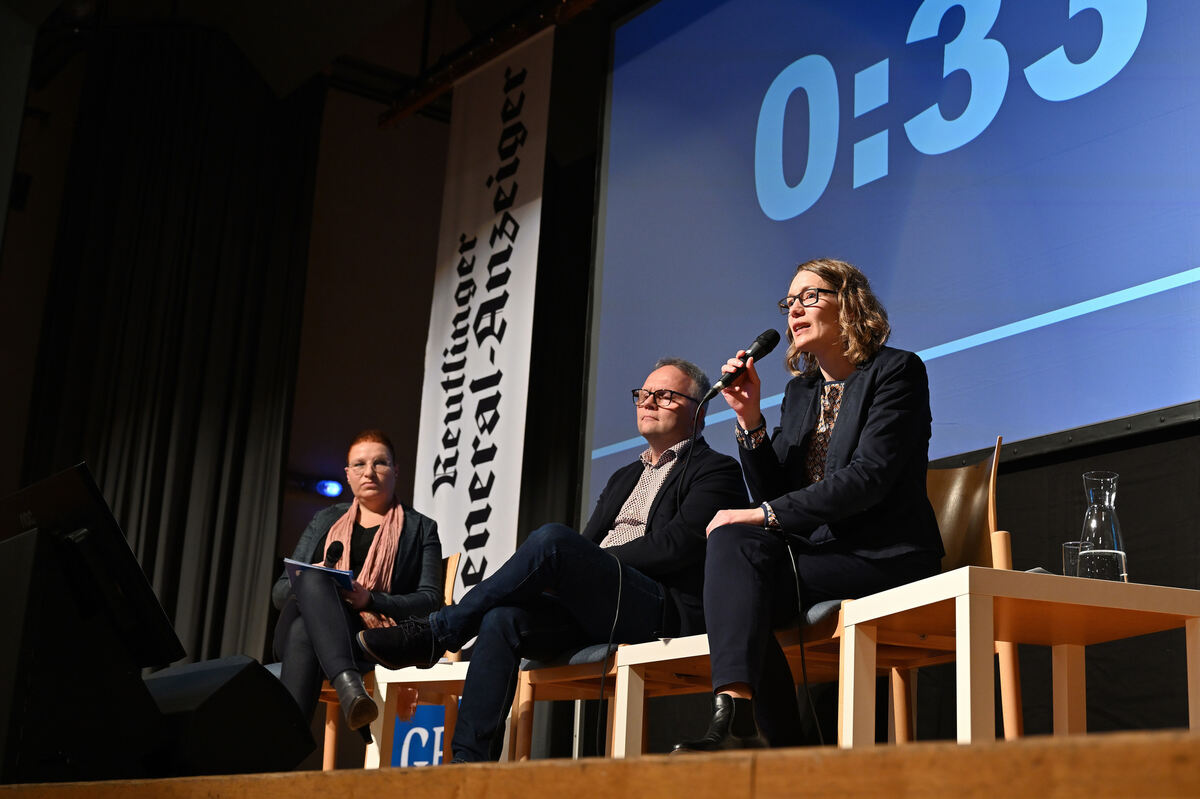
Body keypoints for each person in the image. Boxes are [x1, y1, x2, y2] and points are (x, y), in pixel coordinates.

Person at [356, 358, 748, 762]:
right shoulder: (624, 477)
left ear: (699, 408)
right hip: (597, 604)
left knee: (555, 541)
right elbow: (587, 544)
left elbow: (677, 546)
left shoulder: (716, 470)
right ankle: (467, 765)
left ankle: (436, 633)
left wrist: (583, 561)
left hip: (658, 606)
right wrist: (573, 567)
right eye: (643, 394)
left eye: (664, 395)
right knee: (501, 619)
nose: (648, 402)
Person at [672, 259, 944, 752]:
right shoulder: (802, 392)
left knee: (741, 562)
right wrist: (751, 419)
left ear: (850, 302)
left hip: (884, 553)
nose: (794, 309)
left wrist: (766, 516)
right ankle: (738, 715)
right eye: (789, 301)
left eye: (809, 296)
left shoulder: (896, 372)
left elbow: (869, 478)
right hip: (819, 557)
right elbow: (774, 489)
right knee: (734, 572)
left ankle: (776, 743)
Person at [271, 429, 443, 733]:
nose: (370, 472)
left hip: (367, 639)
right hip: (309, 626)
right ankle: (350, 688)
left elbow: (431, 600)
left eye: (380, 463)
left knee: (303, 632)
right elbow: (281, 592)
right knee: (313, 579)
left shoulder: (421, 529)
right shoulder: (324, 520)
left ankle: (281, 755)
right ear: (348, 474)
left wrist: (371, 600)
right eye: (360, 464)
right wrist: (316, 584)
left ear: (395, 470)